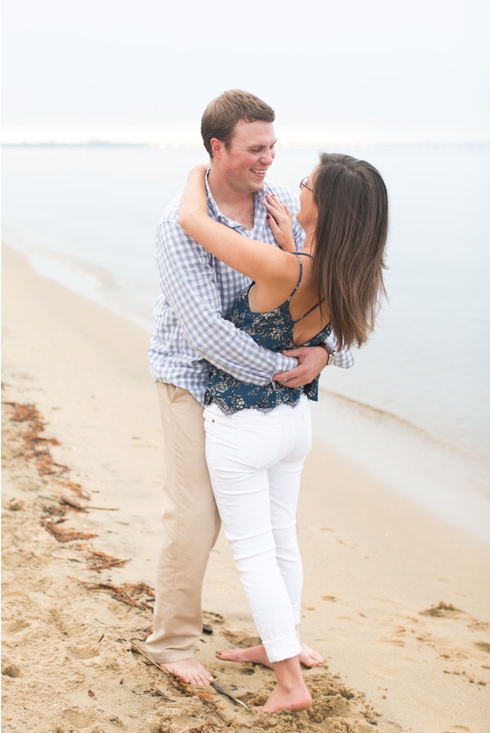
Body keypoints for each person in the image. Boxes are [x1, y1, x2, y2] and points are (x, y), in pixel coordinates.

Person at [145, 90, 352, 687]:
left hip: (260, 389)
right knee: (194, 516)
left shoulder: (283, 203)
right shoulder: (178, 224)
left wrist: (324, 353)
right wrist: (280, 370)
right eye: (255, 149)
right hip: (191, 377)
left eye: (273, 148)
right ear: (218, 148)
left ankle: (278, 637)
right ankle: (173, 643)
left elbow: (328, 293)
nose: (268, 160)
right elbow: (206, 331)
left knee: (277, 523)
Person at [177, 153, 388, 711]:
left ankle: (291, 682)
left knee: (254, 555)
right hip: (294, 422)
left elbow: (193, 222)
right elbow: (312, 304)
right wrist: (291, 238)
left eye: (307, 184)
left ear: (326, 206)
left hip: (244, 427)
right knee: (282, 539)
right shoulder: (344, 271)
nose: (296, 186)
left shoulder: (286, 268)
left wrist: (196, 173)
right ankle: (280, 646)